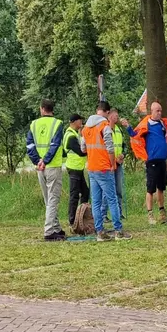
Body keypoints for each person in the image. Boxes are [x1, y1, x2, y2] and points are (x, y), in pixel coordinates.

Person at [81, 101, 130, 241]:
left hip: (92, 168)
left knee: (95, 202)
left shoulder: (86, 128)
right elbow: (109, 148)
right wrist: (112, 164)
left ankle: (100, 232)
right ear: (107, 112)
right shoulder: (104, 126)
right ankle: (118, 231)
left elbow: (83, 148)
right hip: (104, 168)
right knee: (112, 199)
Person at [122, 101, 167, 225]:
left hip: (162, 160)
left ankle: (162, 212)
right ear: (151, 112)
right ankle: (150, 213)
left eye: (160, 110)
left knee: (161, 188)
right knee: (150, 189)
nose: (160, 113)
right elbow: (134, 134)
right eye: (157, 111)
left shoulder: (163, 124)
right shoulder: (146, 124)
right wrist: (127, 127)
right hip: (151, 161)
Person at [26, 99, 65, 242]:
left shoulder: (34, 124)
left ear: (41, 109)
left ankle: (56, 227)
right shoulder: (57, 124)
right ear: (51, 109)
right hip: (52, 165)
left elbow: (29, 145)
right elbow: (55, 145)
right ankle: (49, 231)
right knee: (53, 199)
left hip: (40, 167)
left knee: (48, 199)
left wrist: (37, 161)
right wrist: (46, 160)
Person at [62, 113, 89, 232]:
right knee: (74, 195)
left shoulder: (74, 134)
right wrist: (91, 149)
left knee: (85, 192)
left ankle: (81, 216)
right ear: (74, 122)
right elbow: (80, 152)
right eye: (79, 120)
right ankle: (72, 221)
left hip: (78, 168)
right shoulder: (70, 136)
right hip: (73, 169)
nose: (81, 123)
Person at [101, 108, 127, 221]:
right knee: (107, 191)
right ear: (110, 116)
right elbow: (103, 148)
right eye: (116, 116)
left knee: (119, 190)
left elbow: (124, 146)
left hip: (119, 164)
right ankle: (103, 214)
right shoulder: (105, 129)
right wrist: (112, 159)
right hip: (109, 164)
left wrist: (123, 155)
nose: (118, 118)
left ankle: (119, 213)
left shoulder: (118, 130)